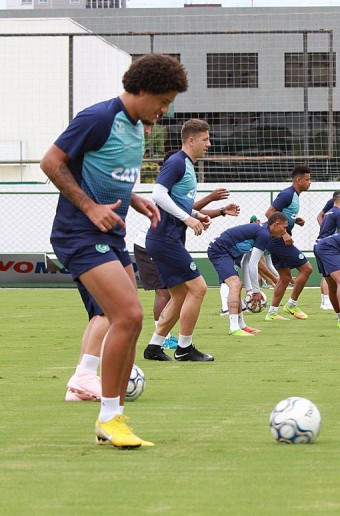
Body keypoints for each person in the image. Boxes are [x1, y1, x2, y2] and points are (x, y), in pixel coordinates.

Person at [42, 53, 187, 448]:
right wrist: (89, 207)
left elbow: (107, 172)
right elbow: (51, 162)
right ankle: (107, 415)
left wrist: (134, 199)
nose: (165, 108)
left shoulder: (138, 128)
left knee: (130, 318)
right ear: (140, 90)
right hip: (78, 234)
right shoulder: (98, 118)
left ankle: (113, 418)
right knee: (128, 314)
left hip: (111, 236)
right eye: (163, 99)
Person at [142, 119, 222, 362]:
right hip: (165, 239)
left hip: (166, 238)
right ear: (191, 140)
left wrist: (196, 215)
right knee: (198, 288)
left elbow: (177, 200)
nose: (209, 144)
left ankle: (154, 348)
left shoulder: (186, 164)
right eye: (205, 139)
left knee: (178, 295)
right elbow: (157, 193)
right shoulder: (177, 162)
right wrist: (188, 218)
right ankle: (184, 348)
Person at [134, 187, 237, 350]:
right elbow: (188, 210)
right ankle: (166, 339)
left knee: (179, 293)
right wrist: (211, 199)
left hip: (163, 246)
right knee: (164, 292)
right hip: (148, 246)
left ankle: (158, 342)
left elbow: (191, 210)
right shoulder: (166, 192)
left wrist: (221, 211)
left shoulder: (177, 191)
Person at [207, 213, 290, 337]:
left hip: (227, 253)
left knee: (237, 285)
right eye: (284, 227)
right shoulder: (264, 234)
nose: (285, 231)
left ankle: (242, 326)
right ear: (276, 224)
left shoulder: (263, 232)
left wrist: (250, 290)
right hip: (219, 250)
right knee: (235, 285)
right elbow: (253, 264)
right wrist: (256, 292)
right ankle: (234, 327)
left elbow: (246, 262)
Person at [263, 165, 313, 321]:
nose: (310, 182)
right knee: (307, 268)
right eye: (307, 179)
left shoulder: (295, 195)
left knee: (285, 277)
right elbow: (269, 213)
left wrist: (293, 220)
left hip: (275, 240)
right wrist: (284, 233)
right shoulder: (287, 194)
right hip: (278, 240)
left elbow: (279, 215)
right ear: (298, 180)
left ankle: (271, 313)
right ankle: (291, 304)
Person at [316, 191, 340, 309]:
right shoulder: (339, 213)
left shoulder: (329, 212)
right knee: (338, 276)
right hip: (326, 247)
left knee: (327, 276)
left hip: (318, 244)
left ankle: (325, 301)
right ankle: (333, 302)